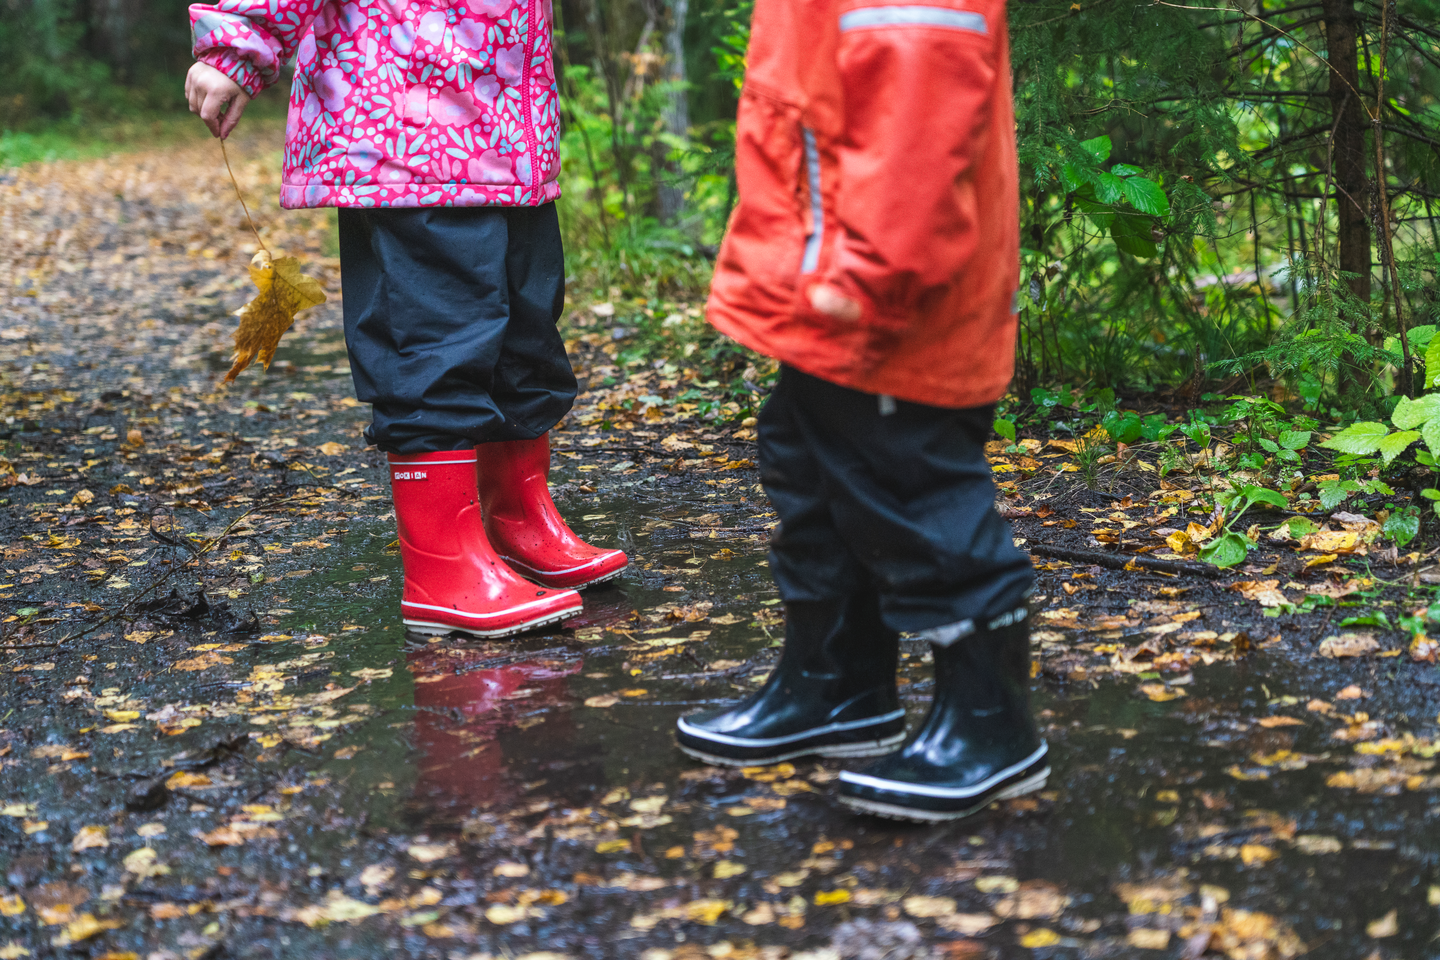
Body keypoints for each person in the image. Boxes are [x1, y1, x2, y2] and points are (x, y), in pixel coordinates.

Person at [672, 0, 1047, 821]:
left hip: (882, 285)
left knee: (907, 481)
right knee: (809, 461)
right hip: (828, 262)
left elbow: (917, 102)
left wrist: (872, 269)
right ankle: (838, 687)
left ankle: (993, 723)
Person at [184, 0, 627, 638]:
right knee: (437, 334)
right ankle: (442, 563)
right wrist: (241, 40)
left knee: (526, 327)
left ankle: (518, 517)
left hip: (510, 118)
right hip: (403, 117)